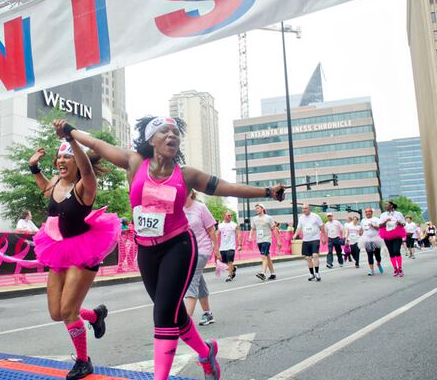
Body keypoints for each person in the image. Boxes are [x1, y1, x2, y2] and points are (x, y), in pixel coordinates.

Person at [66, 115, 285, 380]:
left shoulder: (187, 175)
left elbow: (226, 187)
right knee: (175, 314)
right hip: (146, 250)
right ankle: (206, 353)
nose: (172, 136)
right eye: (164, 132)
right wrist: (71, 132)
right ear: (150, 140)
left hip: (179, 247)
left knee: (163, 315)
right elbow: (96, 143)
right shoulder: (135, 163)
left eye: (175, 133)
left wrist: (268, 193)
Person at [29, 122, 121, 380]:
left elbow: (88, 171)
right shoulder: (55, 185)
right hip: (57, 251)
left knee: (68, 312)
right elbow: (42, 185)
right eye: (59, 156)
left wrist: (72, 141)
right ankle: (94, 316)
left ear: (77, 162)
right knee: (56, 313)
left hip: (83, 252)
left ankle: (83, 361)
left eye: (67, 156)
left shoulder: (84, 187)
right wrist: (34, 167)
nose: (61, 160)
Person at [183, 190, 219, 326]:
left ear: (190, 193)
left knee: (192, 278)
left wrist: (216, 249)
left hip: (202, 249)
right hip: (186, 251)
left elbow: (211, 229)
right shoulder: (178, 209)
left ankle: (186, 321)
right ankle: (208, 313)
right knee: (198, 280)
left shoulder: (200, 207)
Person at [294, 203, 326, 281]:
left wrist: (324, 237)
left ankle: (317, 273)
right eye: (303, 209)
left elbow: (321, 226)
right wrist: (295, 235)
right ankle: (312, 274)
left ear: (309, 209)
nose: (304, 210)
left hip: (315, 238)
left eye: (305, 208)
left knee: (315, 255)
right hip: (306, 240)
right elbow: (299, 228)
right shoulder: (301, 218)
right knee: (308, 258)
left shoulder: (315, 216)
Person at [250, 204, 278, 281]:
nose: (256, 209)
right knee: (267, 256)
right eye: (256, 208)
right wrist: (250, 236)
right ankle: (273, 274)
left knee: (263, 256)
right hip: (259, 240)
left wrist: (278, 241)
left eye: (258, 208)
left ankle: (263, 273)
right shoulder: (254, 219)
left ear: (262, 209)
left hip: (267, 239)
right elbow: (252, 228)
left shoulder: (268, 218)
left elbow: (274, 229)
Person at [379, 201, 406, 277]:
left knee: (396, 250)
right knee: (391, 252)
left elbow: (404, 224)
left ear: (391, 206)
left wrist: (399, 223)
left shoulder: (398, 214)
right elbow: (380, 226)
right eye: (385, 205)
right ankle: (395, 268)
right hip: (387, 234)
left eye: (387, 205)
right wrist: (385, 221)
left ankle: (400, 268)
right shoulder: (383, 215)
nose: (385, 206)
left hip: (397, 233)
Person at [359, 208, 385, 276]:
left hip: (375, 239)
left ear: (371, 213)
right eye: (366, 212)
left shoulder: (376, 219)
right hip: (367, 239)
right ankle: (371, 270)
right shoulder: (363, 220)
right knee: (369, 254)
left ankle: (378, 263)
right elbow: (362, 229)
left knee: (377, 255)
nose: (367, 214)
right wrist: (360, 232)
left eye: (369, 212)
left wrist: (373, 226)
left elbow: (380, 228)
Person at [218, 212, 241, 282]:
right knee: (224, 262)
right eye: (228, 215)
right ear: (224, 216)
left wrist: (240, 245)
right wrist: (214, 244)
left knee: (230, 261)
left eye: (231, 215)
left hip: (231, 246)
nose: (230, 216)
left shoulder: (234, 225)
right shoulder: (220, 225)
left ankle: (229, 276)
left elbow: (239, 235)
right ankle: (233, 269)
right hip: (222, 247)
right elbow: (216, 234)